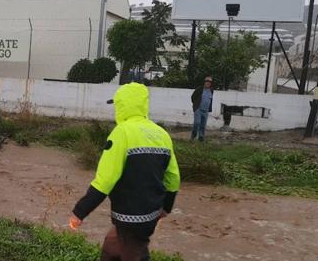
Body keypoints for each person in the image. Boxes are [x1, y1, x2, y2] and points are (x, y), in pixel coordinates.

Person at [69, 83, 180, 261]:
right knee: (112, 245)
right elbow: (173, 178)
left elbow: (105, 180)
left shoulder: (121, 133)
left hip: (130, 217)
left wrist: (79, 212)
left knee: (135, 253)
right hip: (150, 214)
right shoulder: (162, 134)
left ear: (122, 106)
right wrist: (166, 208)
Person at [191, 76, 214, 142]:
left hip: (206, 110)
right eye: (207, 82)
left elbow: (210, 100)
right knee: (197, 123)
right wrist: (196, 105)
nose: (208, 83)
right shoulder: (199, 89)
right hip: (198, 109)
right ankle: (193, 136)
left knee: (203, 125)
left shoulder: (211, 90)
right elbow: (193, 97)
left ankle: (201, 138)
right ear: (204, 82)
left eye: (210, 82)